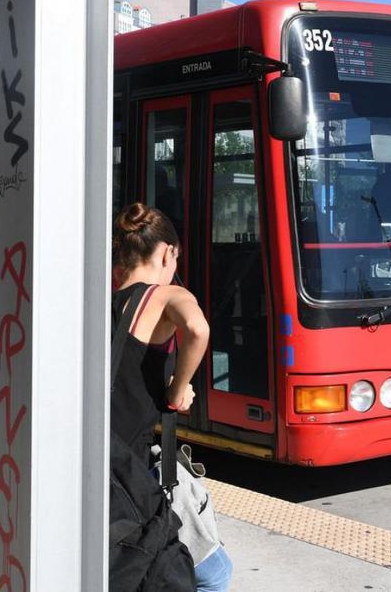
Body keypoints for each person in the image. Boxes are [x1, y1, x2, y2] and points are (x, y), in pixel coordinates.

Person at [112, 203, 231, 592]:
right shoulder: (162, 296)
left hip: (101, 459)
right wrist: (178, 392)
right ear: (167, 252)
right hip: (134, 473)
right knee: (215, 574)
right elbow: (197, 328)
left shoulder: (103, 299)